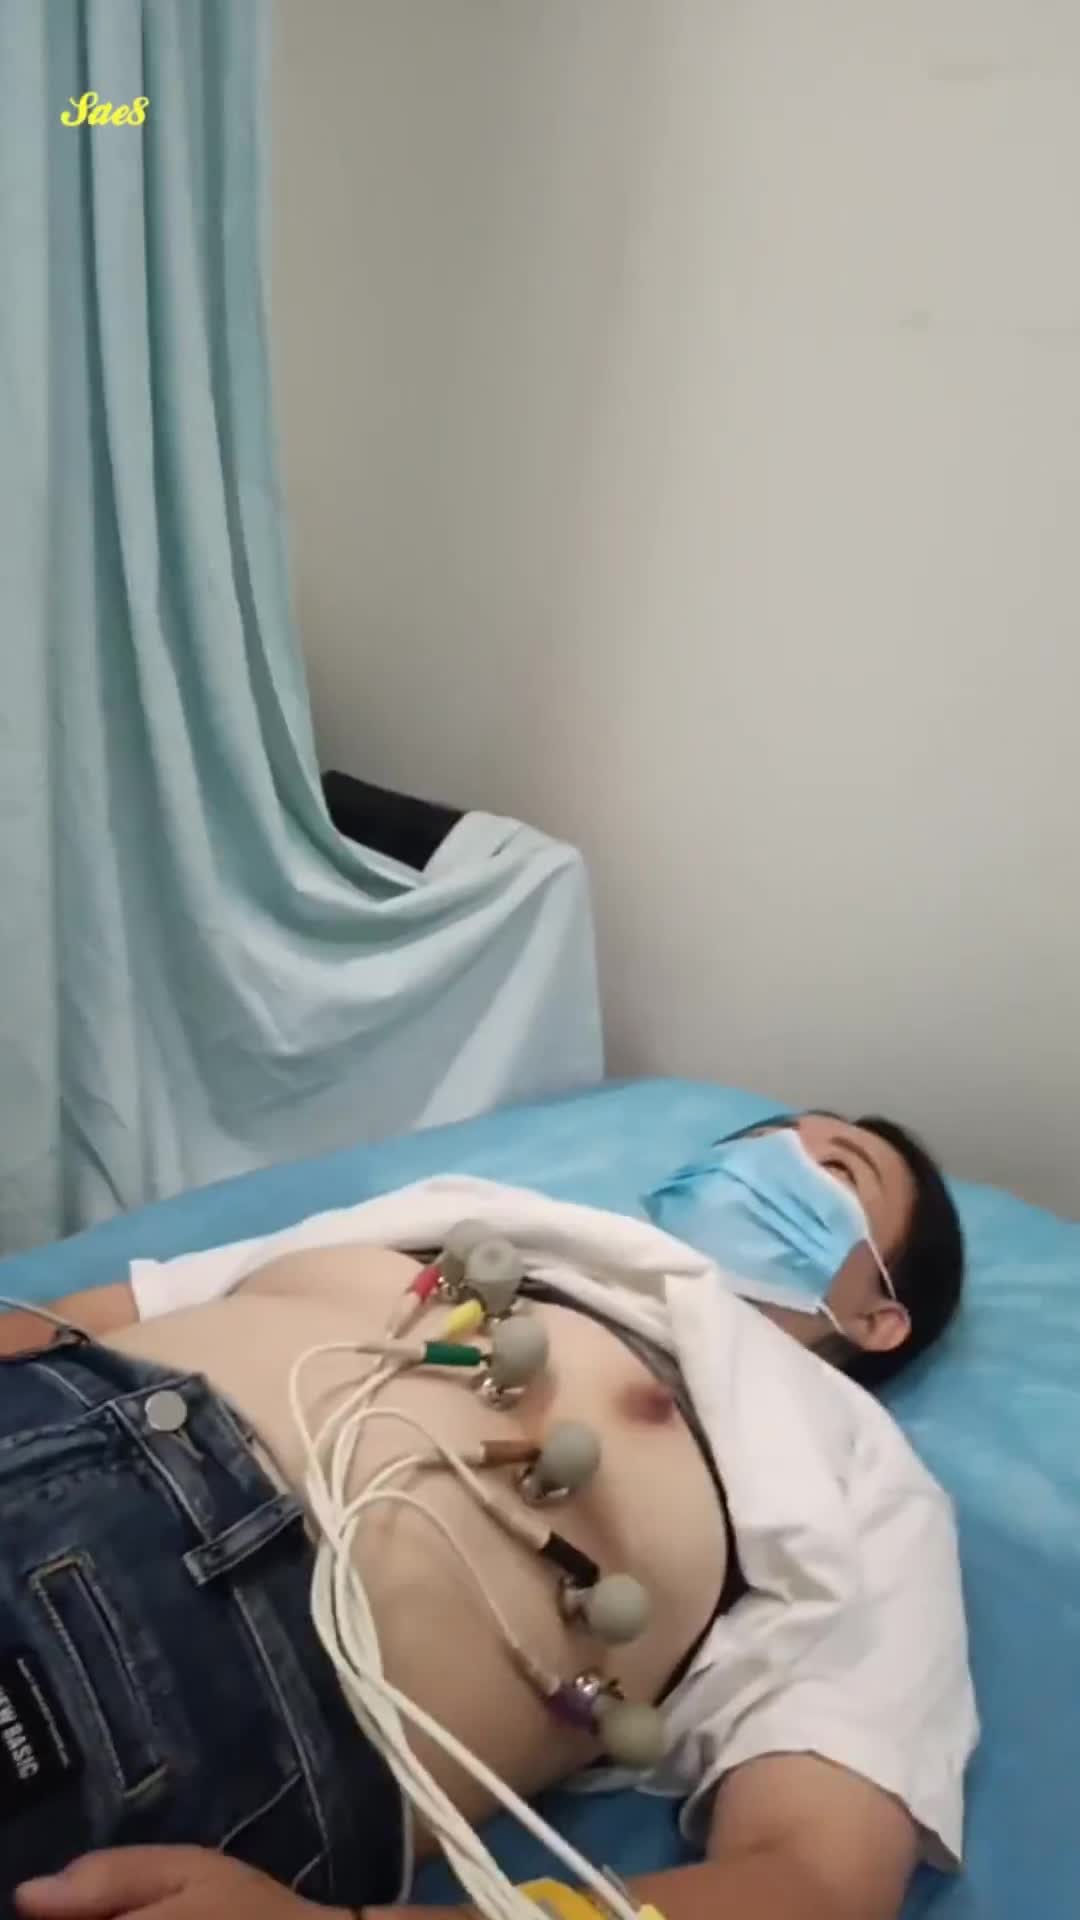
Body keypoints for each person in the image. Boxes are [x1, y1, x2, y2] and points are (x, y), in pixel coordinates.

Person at [1, 1110, 975, 1920]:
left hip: (190, 1688)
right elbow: (96, 1313)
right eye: (758, 1142)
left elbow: (815, 1884)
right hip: (46, 1409)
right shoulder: (486, 1215)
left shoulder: (861, 1469)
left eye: (836, 1168)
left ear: (880, 1317)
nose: (773, 1159)